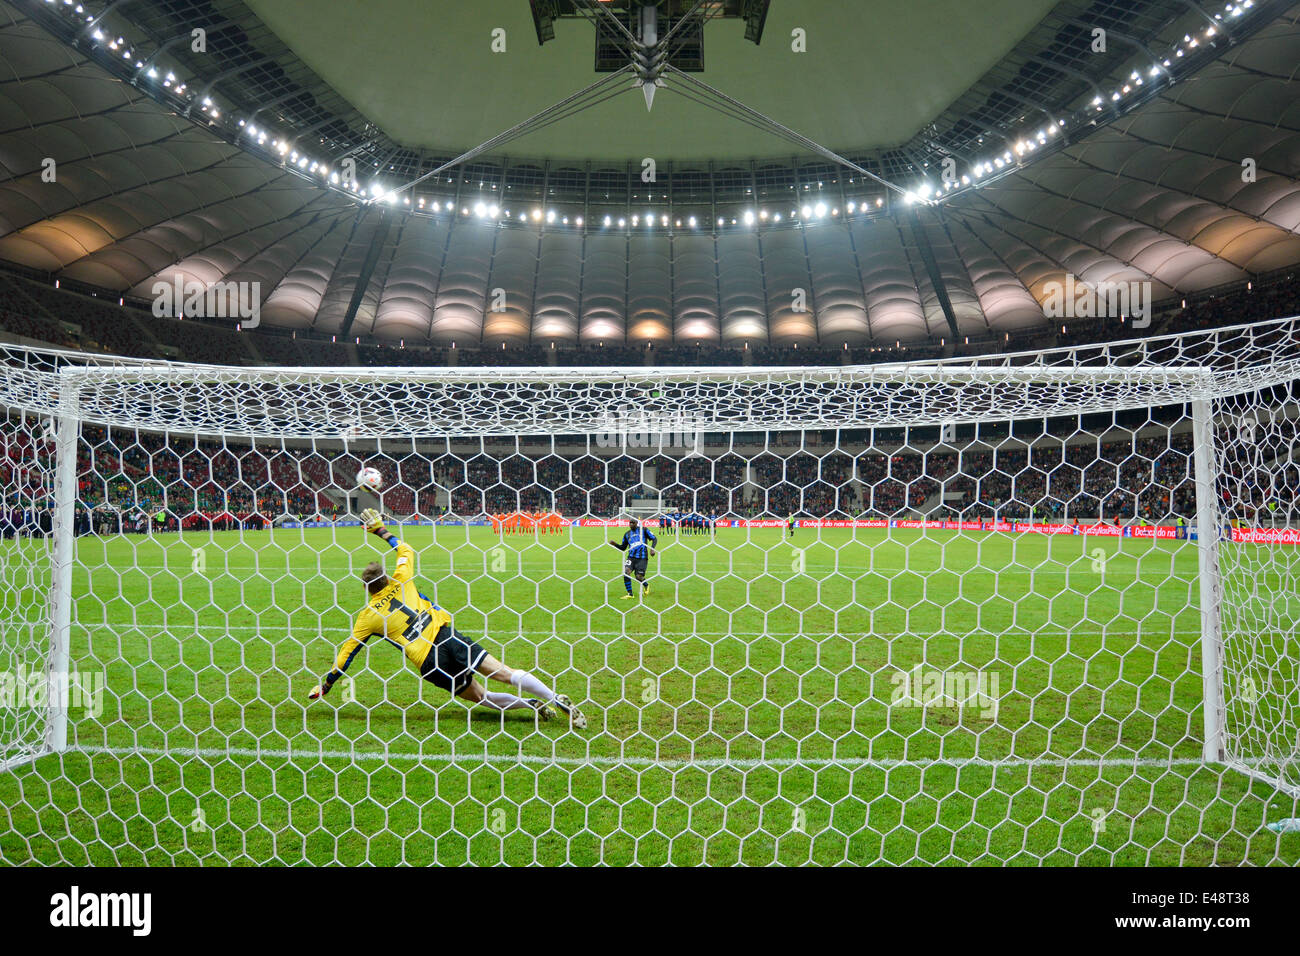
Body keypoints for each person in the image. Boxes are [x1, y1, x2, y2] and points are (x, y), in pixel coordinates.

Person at [309, 508, 586, 728]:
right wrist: (379, 529)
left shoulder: (367, 617)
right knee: (504, 672)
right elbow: (406, 550)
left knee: (481, 696)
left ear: (365, 588)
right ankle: (552, 697)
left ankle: (530, 706)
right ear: (387, 577)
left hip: (428, 662)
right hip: (445, 636)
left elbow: (347, 655)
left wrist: (327, 685)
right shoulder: (402, 579)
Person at [608, 516, 656, 600]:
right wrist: (615, 544)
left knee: (638, 577)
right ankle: (630, 594)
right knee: (626, 572)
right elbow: (623, 548)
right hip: (631, 557)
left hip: (642, 558)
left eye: (633, 522)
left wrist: (652, 548)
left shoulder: (644, 530)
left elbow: (654, 538)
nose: (631, 524)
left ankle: (646, 585)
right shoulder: (627, 534)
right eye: (630, 523)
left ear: (637, 523)